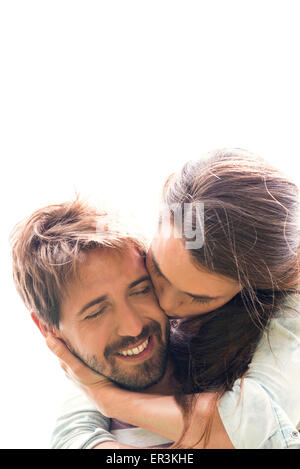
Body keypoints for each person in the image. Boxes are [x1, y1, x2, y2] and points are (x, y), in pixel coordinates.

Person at [11, 148, 300, 448]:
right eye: (155, 275)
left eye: (197, 298)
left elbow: (255, 425)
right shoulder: (91, 405)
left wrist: (108, 399)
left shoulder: (277, 340)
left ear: (251, 290)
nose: (167, 307)